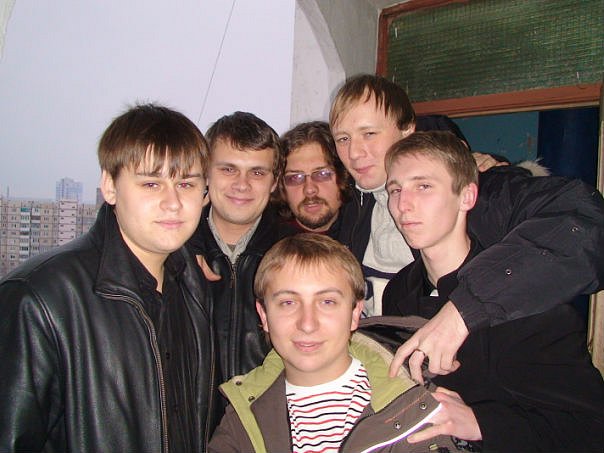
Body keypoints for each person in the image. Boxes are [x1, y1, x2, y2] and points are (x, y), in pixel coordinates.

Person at [329, 73, 604, 381]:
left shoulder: (483, 191)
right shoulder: (354, 205)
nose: (354, 153)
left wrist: (465, 309)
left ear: (407, 130)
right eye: (343, 139)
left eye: (369, 133)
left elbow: (586, 223)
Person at [0, 104, 220, 452]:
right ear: (110, 186)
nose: (173, 202)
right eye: (151, 183)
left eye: (186, 184)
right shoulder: (40, 298)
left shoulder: (194, 288)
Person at [381, 131, 604, 451]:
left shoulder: (527, 300)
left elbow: (588, 429)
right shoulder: (398, 291)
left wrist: (480, 423)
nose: (403, 204)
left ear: (467, 197)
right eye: (395, 190)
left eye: (424, 186)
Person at [208, 233, 461, 453]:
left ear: (354, 313)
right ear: (264, 316)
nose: (307, 324)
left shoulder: (415, 407)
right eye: (288, 303)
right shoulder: (241, 421)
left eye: (327, 302)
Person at [187, 111, 283, 380]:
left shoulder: (298, 255)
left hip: (269, 407)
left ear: (274, 182)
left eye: (257, 172)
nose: (242, 184)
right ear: (206, 173)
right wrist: (183, 247)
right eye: (228, 169)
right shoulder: (171, 254)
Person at [276, 121, 351, 238]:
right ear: (281, 186)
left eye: (322, 174)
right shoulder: (263, 241)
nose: (309, 189)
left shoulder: (368, 232)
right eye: (295, 177)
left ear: (343, 176)